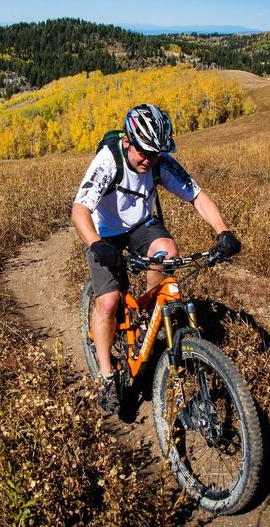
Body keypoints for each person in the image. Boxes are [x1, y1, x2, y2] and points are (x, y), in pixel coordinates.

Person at [71, 103, 241, 414]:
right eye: (144, 153)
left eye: (156, 154)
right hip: (104, 232)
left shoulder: (159, 162)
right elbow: (80, 210)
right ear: (128, 141)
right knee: (108, 302)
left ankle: (150, 315)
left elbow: (197, 196)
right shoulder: (108, 160)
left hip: (141, 225)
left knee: (168, 253)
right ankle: (107, 376)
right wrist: (97, 244)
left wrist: (223, 232)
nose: (150, 160)